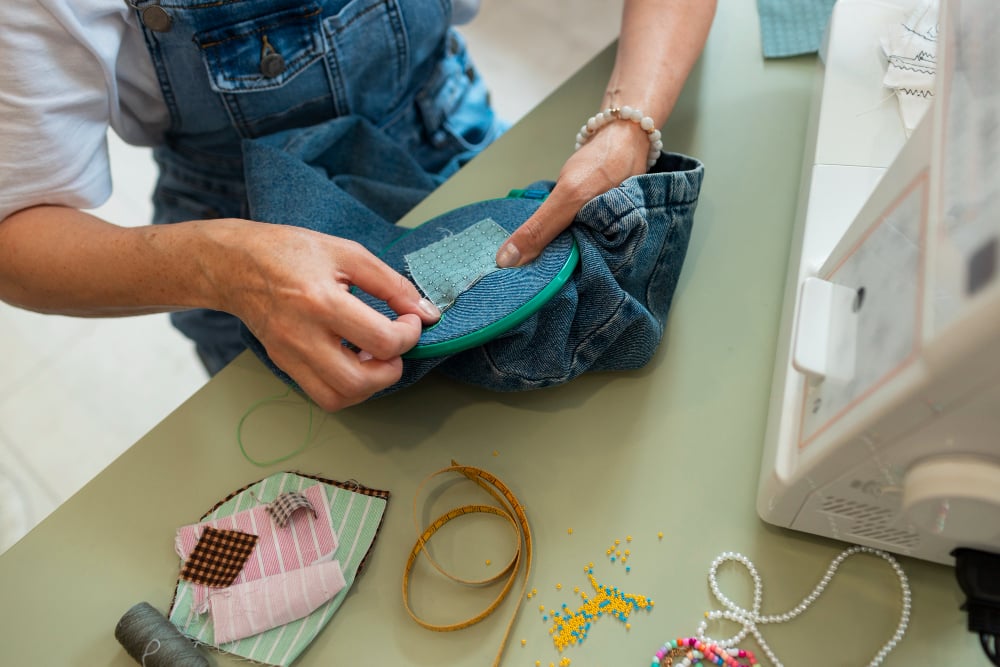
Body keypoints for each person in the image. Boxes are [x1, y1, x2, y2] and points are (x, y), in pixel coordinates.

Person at [0, 0, 715, 412]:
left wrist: (631, 124)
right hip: (240, 231)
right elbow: (16, 236)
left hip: (450, 141)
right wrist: (222, 267)